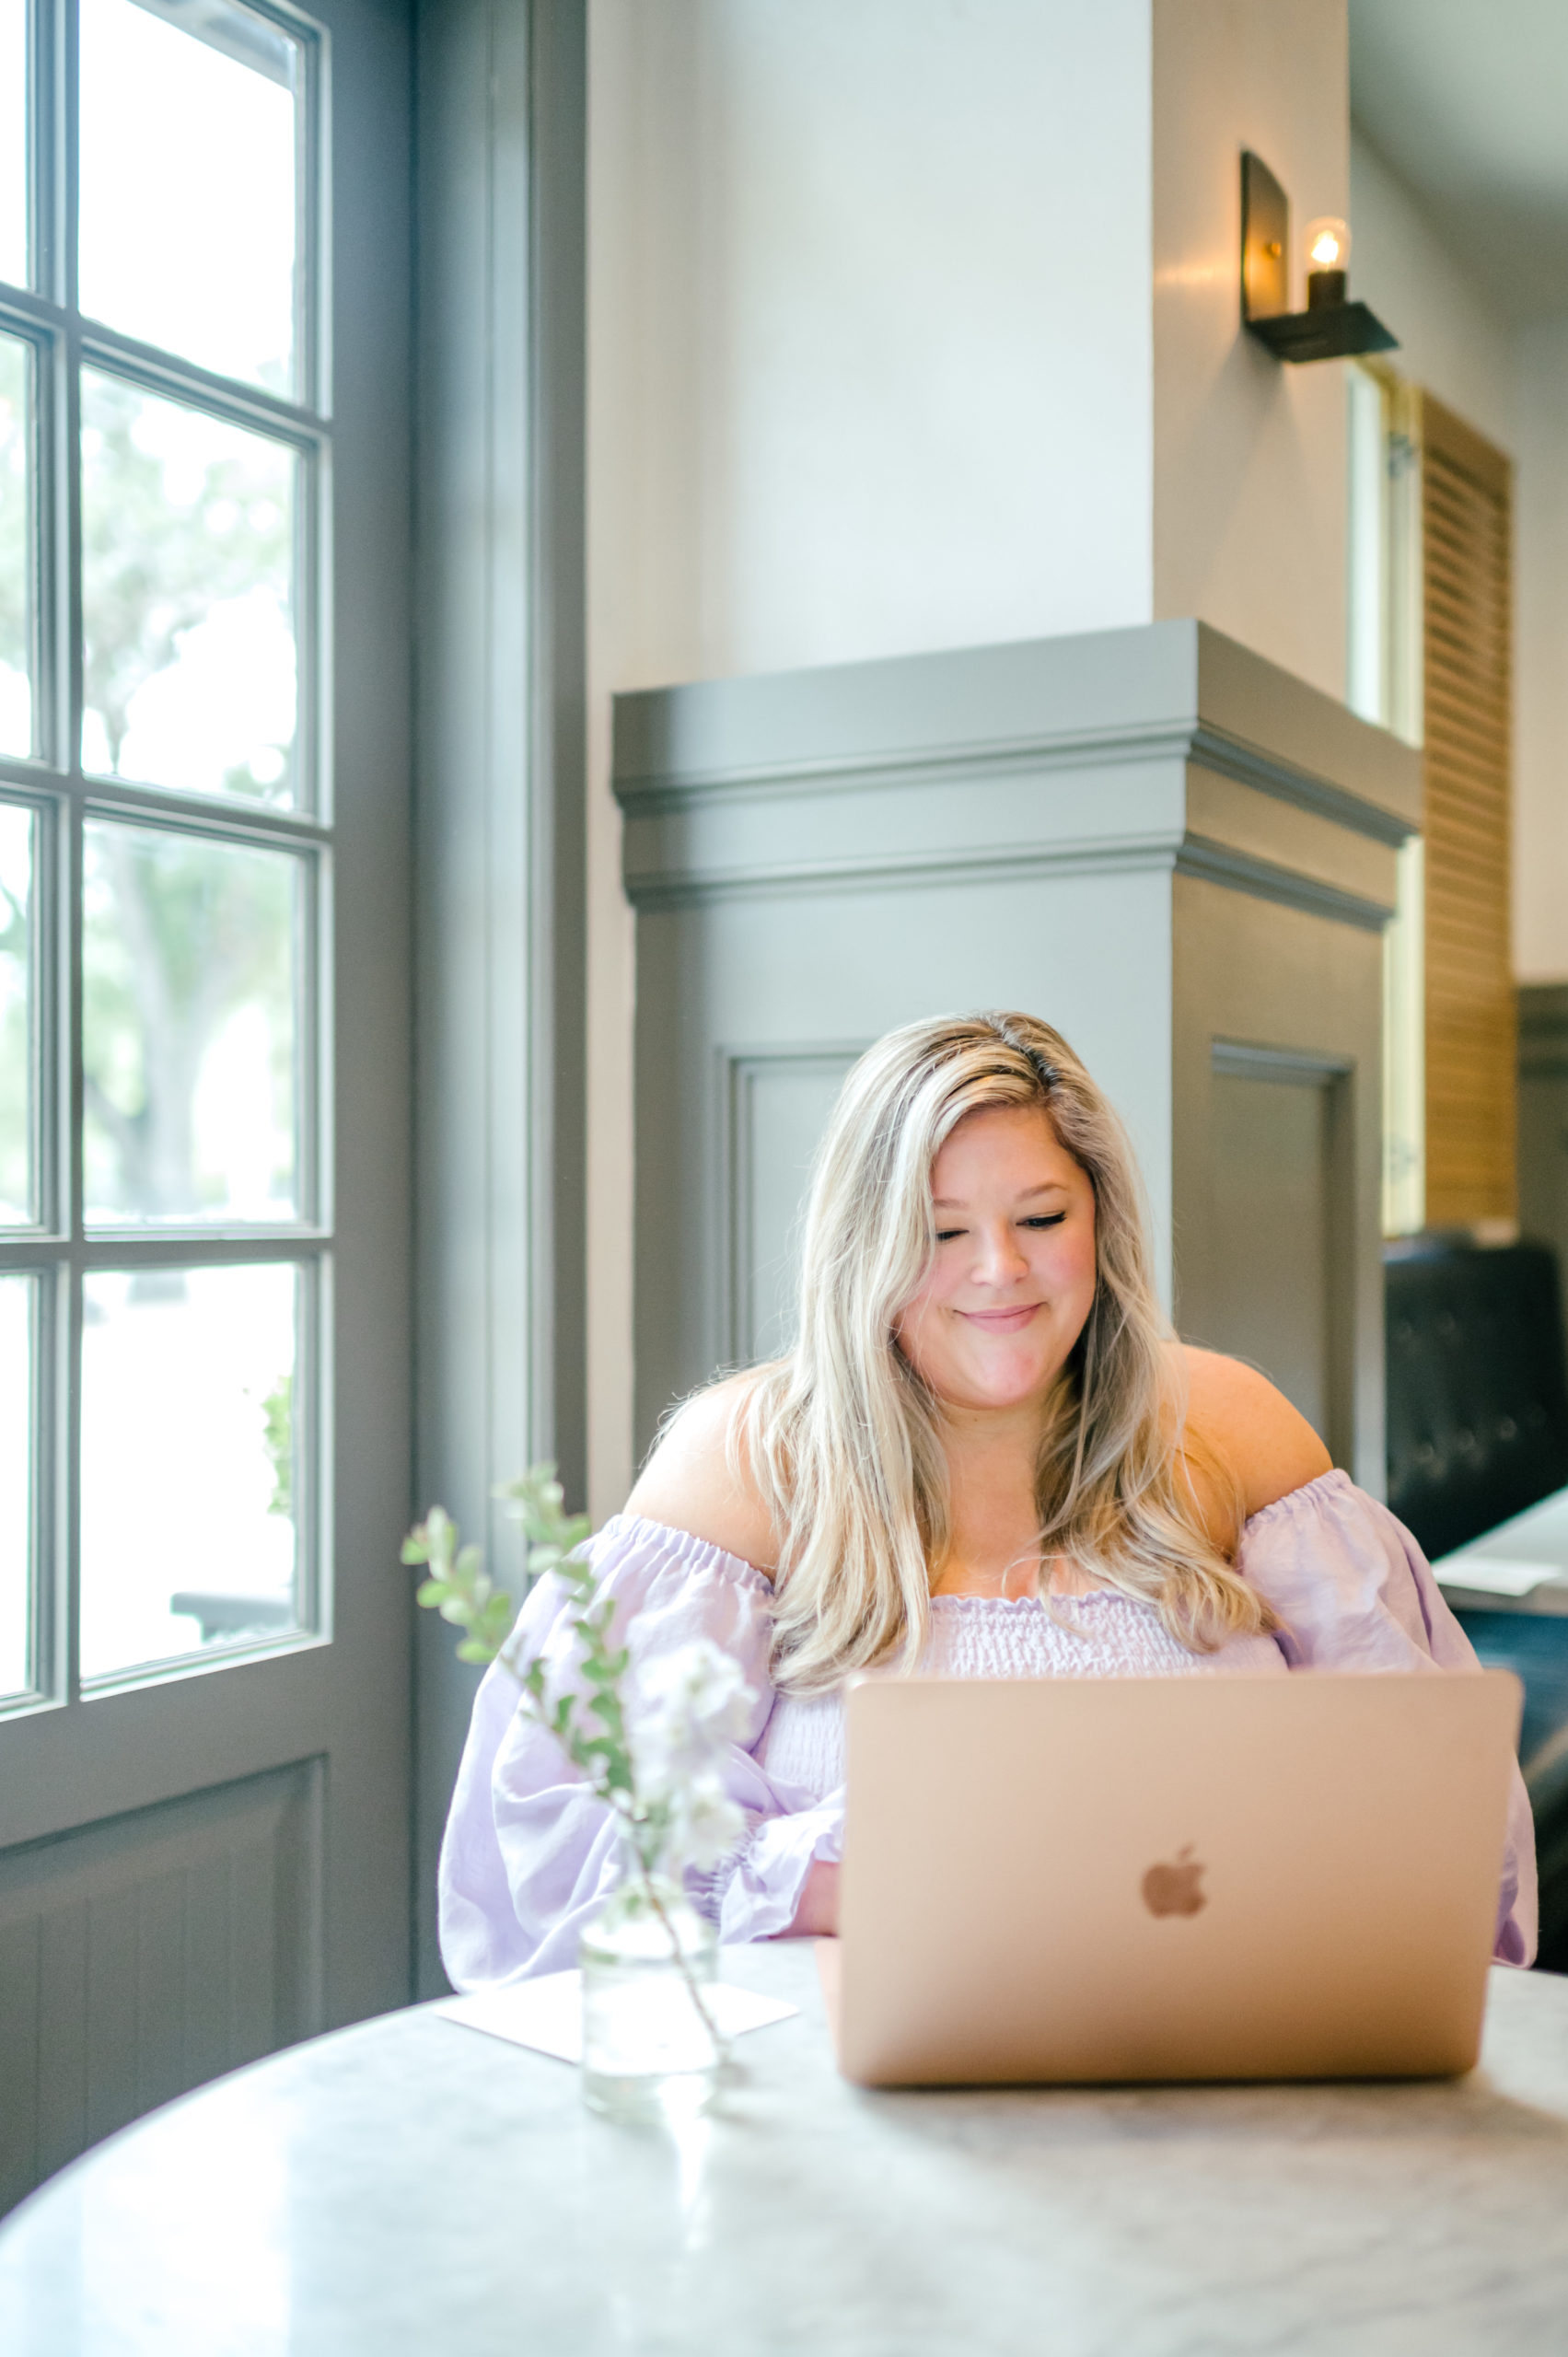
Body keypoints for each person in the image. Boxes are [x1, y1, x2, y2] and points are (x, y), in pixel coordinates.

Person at [440, 1012, 1537, 1984]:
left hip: (1218, 2062)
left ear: (1100, 1224)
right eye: (941, 1230)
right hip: (843, 2096)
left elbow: (1434, 1802)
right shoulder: (747, 1460)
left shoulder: (1227, 1425)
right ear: (863, 1245)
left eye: (1041, 1218)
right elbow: (577, 1857)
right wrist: (878, 1877)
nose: (998, 1271)